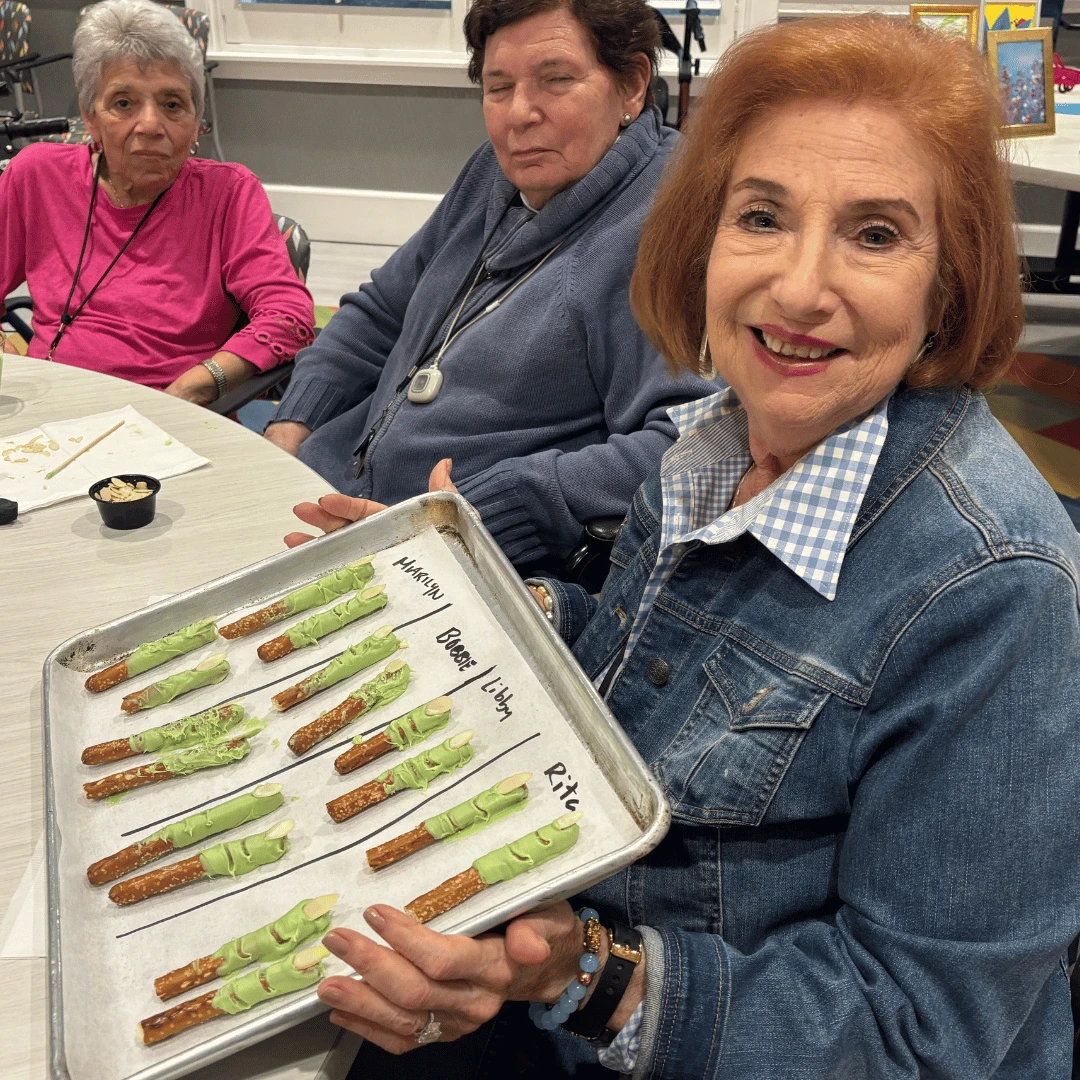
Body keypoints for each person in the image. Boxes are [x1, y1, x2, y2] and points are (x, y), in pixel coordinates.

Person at [311, 16, 1080, 1080]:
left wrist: (585, 973)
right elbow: (647, 685)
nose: (801, 289)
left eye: (874, 234)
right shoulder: (717, 441)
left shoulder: (995, 591)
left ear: (948, 284)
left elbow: (924, 1037)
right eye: (762, 216)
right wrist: (484, 599)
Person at [268, 0, 714, 571]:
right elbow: (380, 312)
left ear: (631, 88)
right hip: (324, 494)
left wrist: (488, 511)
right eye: (498, 88)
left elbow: (694, 444)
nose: (518, 115)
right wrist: (292, 422)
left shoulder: (669, 223)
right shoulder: (492, 173)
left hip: (456, 562)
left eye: (556, 81)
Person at [0, 0, 314, 402]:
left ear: (196, 119)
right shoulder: (37, 176)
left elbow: (289, 316)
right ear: (89, 116)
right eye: (124, 103)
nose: (150, 125)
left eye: (172, 105)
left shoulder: (228, 194)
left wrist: (198, 384)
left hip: (174, 418)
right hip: (50, 405)